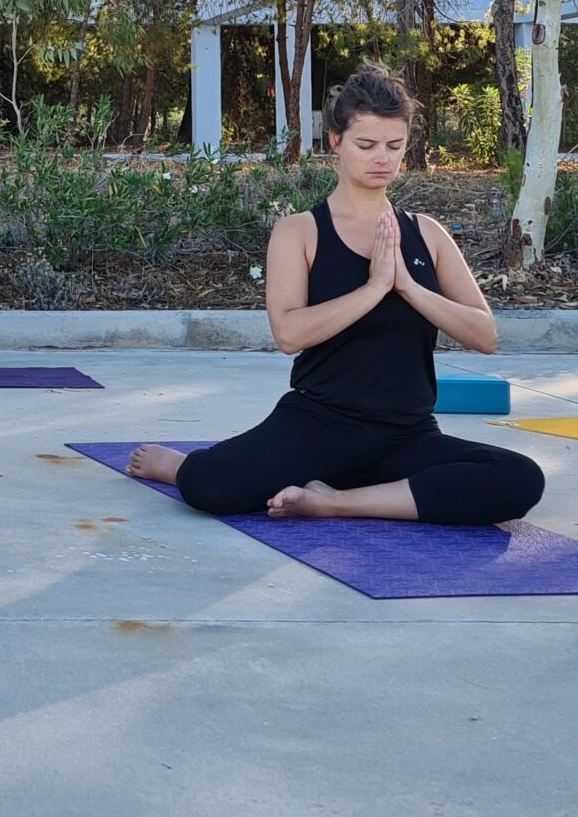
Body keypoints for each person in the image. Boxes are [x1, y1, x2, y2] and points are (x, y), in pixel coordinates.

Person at [128, 65, 543, 524]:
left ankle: (332, 501)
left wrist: (405, 285)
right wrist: (373, 289)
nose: (381, 158)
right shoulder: (300, 232)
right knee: (210, 487)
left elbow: (485, 335)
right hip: (319, 425)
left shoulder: (428, 234)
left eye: (394, 146)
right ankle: (181, 464)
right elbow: (288, 333)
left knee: (519, 479)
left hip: (407, 433)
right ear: (335, 141)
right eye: (366, 145)